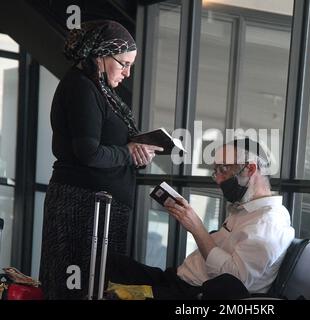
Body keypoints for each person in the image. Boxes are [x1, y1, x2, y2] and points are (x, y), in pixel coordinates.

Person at [39, 20, 163, 300]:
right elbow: (89, 152)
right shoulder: (82, 87)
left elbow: (111, 147)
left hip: (98, 209)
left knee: (96, 289)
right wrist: (128, 151)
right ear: (101, 55)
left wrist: (137, 151)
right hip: (80, 207)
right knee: (73, 290)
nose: (128, 73)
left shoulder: (100, 89)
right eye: (124, 64)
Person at [105, 138, 295, 299]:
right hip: (176, 279)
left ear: (251, 169)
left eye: (224, 169)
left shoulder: (268, 222)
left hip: (189, 293)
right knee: (106, 261)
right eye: (216, 171)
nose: (218, 179)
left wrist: (196, 228)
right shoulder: (245, 212)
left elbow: (234, 283)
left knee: (112, 289)